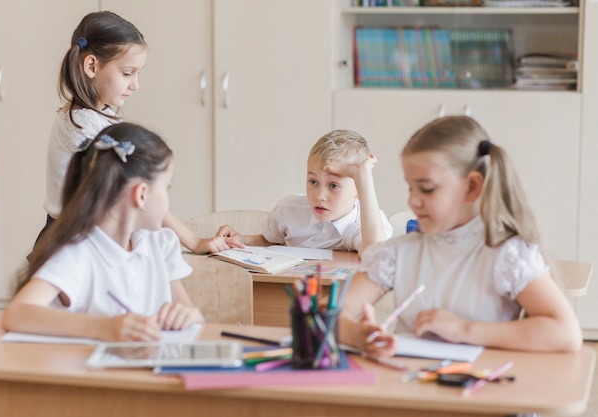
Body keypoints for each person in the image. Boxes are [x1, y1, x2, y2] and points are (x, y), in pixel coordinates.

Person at [339, 116, 583, 357]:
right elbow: (335, 313)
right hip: (408, 389)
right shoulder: (398, 253)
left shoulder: (506, 254)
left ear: (472, 187)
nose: (412, 200)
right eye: (410, 187)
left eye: (427, 188)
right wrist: (355, 334)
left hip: (482, 388)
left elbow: (566, 333)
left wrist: (464, 329)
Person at [39, 10, 234, 254]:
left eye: (138, 73)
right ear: (91, 65)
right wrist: (193, 242)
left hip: (90, 238)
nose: (135, 85)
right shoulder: (82, 125)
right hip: (72, 244)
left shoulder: (98, 115)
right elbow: (139, 187)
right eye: (127, 73)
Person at [2, 123, 204, 341]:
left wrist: (189, 315)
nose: (167, 198)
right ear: (142, 194)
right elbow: (16, 314)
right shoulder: (78, 253)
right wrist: (104, 327)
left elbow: (189, 313)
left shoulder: (160, 243)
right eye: (167, 187)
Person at [222, 130, 392, 253]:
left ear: (359, 189)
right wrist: (242, 239)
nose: (319, 196)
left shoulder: (366, 224)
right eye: (313, 182)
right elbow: (270, 241)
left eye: (334, 185)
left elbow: (374, 257)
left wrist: (365, 178)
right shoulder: (288, 210)